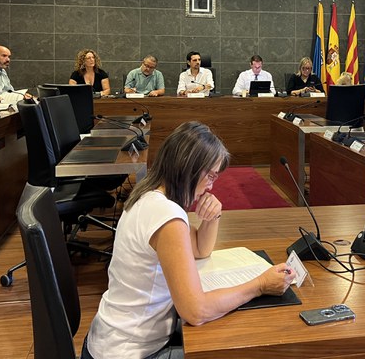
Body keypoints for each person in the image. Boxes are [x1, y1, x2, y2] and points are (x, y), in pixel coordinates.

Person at [82, 121, 294, 359]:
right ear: (188, 168)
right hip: (129, 350)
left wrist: (213, 216)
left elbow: (200, 249)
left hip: (109, 339)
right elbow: (196, 311)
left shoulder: (149, 196)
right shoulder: (166, 215)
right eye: (211, 176)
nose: (211, 186)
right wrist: (260, 285)